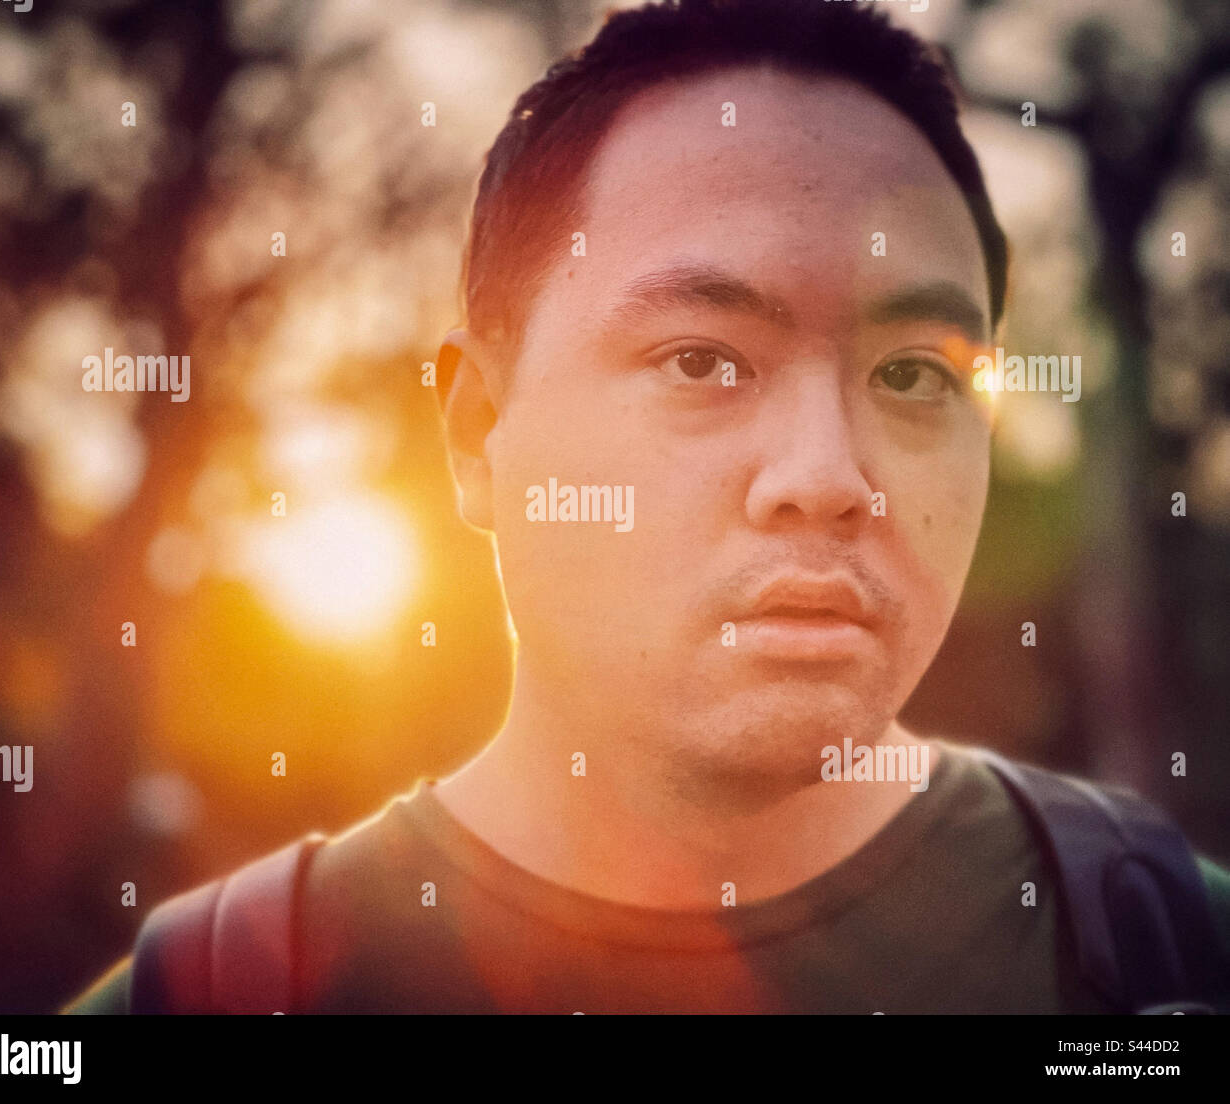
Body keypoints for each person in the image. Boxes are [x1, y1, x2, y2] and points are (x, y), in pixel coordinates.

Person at [64, 0, 1230, 1014]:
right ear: (478, 431)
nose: (826, 476)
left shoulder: (1168, 953)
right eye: (701, 360)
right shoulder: (220, 995)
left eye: (915, 374)